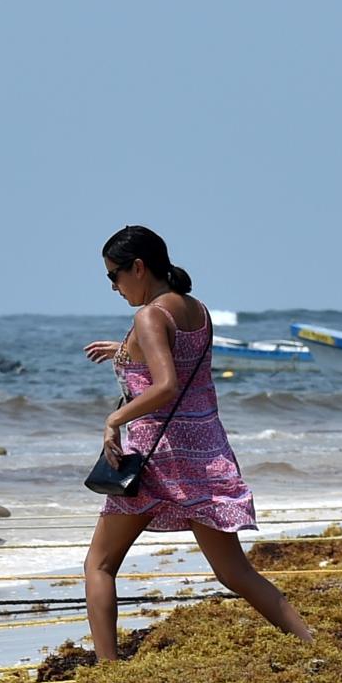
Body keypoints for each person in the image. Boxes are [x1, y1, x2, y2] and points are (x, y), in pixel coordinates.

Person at [83, 226, 313, 660]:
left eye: (114, 275)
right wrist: (124, 349)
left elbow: (166, 384)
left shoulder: (149, 316)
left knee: (99, 564)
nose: (113, 287)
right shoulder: (197, 310)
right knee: (236, 572)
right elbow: (177, 361)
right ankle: (312, 643)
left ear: (138, 267)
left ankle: (107, 671)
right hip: (204, 455)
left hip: (156, 461)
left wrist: (114, 419)